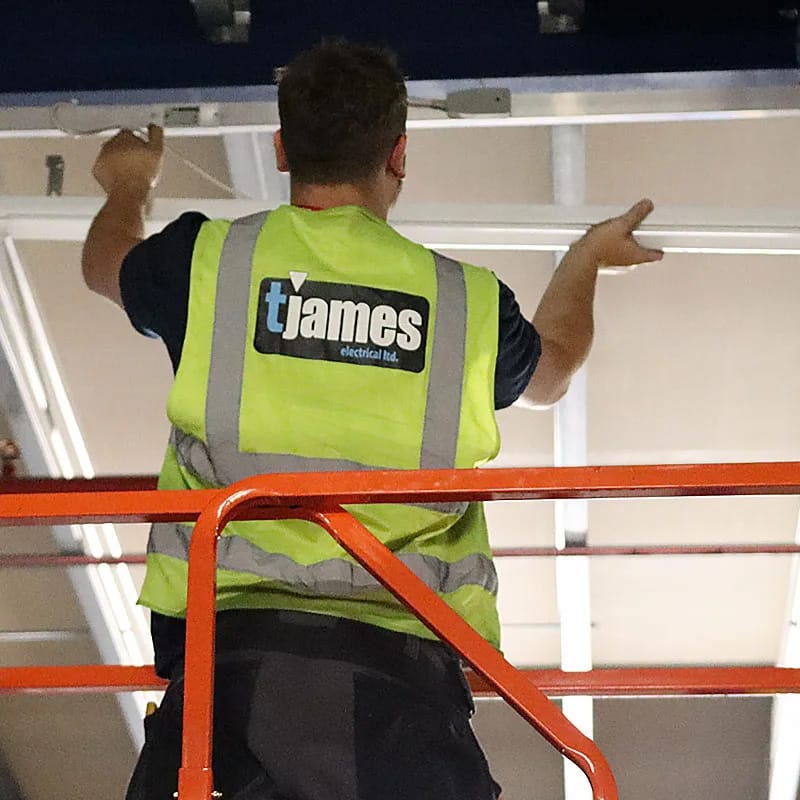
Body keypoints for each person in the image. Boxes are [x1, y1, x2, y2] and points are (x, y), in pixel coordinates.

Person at [82, 39, 661, 800]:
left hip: (227, 682)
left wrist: (128, 184)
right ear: (399, 156)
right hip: (405, 684)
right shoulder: (467, 304)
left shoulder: (207, 261)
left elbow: (104, 262)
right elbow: (552, 370)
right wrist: (585, 260)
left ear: (283, 148)